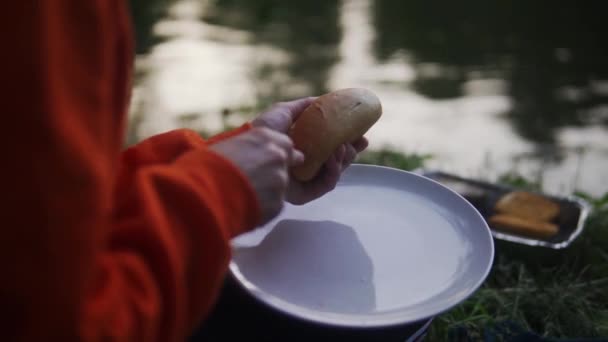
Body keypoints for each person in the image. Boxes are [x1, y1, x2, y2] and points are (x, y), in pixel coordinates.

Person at [1, 1, 367, 341]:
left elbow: (67, 207)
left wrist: (223, 162)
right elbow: (68, 326)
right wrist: (219, 191)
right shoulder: (46, 16)